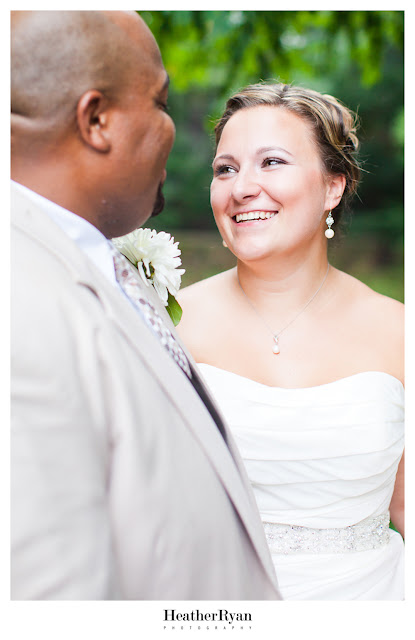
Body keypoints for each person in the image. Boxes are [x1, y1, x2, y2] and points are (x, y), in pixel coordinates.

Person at [11, 11, 281, 600]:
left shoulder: (89, 261)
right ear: (97, 119)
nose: (175, 131)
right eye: (161, 103)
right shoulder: (19, 303)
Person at [177, 82, 404, 600]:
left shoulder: (397, 331)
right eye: (225, 169)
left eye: (272, 162)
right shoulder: (168, 323)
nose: (241, 188)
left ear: (333, 186)